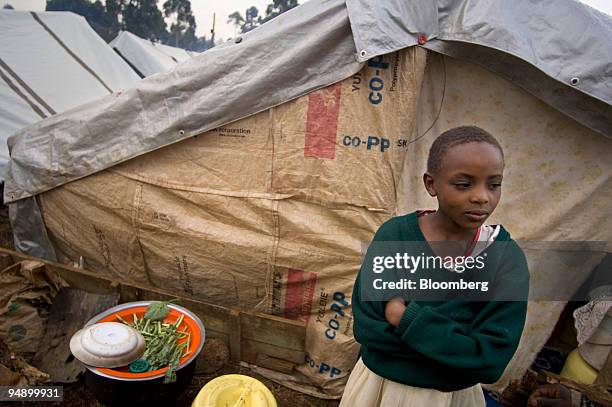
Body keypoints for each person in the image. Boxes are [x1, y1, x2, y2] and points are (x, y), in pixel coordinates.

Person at [340, 126, 530, 407]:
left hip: (451, 399)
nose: (482, 197)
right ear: (431, 184)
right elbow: (368, 328)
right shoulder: (394, 237)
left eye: (494, 184)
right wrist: (457, 340)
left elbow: (490, 360)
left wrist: (405, 318)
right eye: (464, 184)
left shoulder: (505, 258)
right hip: (380, 390)